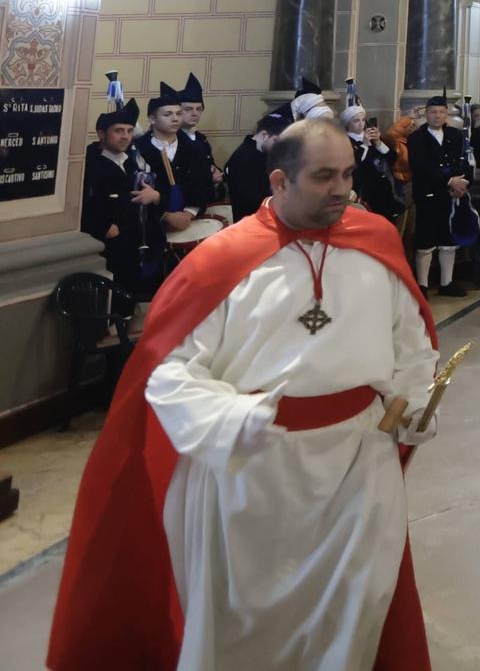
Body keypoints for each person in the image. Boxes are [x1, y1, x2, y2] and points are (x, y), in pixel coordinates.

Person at [49, 117, 441, 671]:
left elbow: (410, 342)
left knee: (355, 610)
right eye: (325, 176)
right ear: (279, 181)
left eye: (348, 175)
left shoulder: (374, 241)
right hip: (249, 475)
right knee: (244, 631)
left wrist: (413, 401)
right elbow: (168, 371)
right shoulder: (222, 260)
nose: (342, 190)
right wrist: (237, 420)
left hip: (358, 469)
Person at [81, 100, 153, 294]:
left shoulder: (131, 161)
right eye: (118, 131)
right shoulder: (89, 163)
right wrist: (103, 227)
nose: (126, 137)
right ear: (101, 134)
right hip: (108, 243)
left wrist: (154, 195)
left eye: (129, 131)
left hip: (133, 239)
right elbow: (82, 202)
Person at [407, 95, 474, 297]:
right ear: (426, 114)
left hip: (452, 196)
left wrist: (462, 183)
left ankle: (447, 283)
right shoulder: (416, 138)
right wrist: (449, 181)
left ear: (446, 114)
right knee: (426, 241)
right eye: (433, 112)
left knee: (448, 240)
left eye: (441, 112)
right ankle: (422, 285)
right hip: (428, 195)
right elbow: (421, 166)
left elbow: (465, 160)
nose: (437, 116)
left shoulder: (455, 135)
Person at [133, 83, 199, 273]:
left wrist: (188, 213)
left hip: (186, 223)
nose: (175, 119)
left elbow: (201, 185)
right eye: (168, 114)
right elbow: (137, 189)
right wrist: (165, 214)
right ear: (152, 118)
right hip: (150, 226)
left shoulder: (193, 148)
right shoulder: (139, 149)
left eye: (178, 114)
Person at [225, 112, 289, 222]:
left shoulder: (262, 152)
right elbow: (252, 200)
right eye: (277, 141)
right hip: (251, 222)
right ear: (264, 135)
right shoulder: (244, 158)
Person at [175, 73, 226, 200]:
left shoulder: (201, 138)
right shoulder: (173, 138)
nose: (194, 113)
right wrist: (209, 177)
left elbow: (209, 164)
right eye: (188, 109)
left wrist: (217, 173)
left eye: (199, 109)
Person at [345, 107, 401, 220]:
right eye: (356, 121)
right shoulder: (346, 141)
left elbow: (391, 159)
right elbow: (356, 165)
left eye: (363, 120)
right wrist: (365, 145)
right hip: (365, 194)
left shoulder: (372, 138)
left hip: (384, 193)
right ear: (347, 124)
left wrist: (378, 142)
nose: (361, 124)